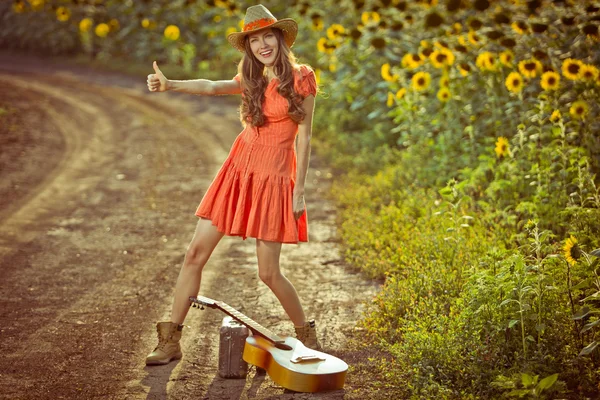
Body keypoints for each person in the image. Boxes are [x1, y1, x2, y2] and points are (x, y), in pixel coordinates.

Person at [144, 4, 321, 366]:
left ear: (279, 38)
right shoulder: (252, 79)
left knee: (268, 272)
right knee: (195, 253)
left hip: (274, 178)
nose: (262, 45)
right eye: (254, 40)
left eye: (267, 36)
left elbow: (304, 138)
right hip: (238, 172)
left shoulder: (302, 78)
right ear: (249, 47)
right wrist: (171, 84)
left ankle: (307, 334)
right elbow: (211, 86)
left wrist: (298, 191)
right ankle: (171, 339)